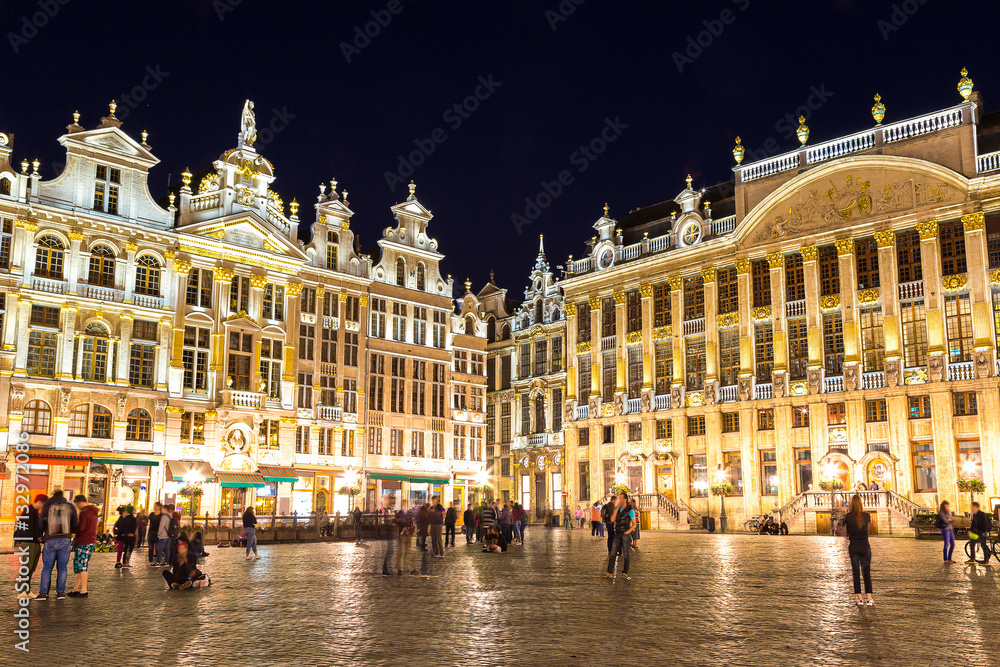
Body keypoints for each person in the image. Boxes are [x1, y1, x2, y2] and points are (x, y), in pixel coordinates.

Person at [35, 490, 78, 601]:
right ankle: (60, 593)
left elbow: (40, 523)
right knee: (62, 567)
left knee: (47, 568)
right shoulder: (69, 506)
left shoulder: (47, 506)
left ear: (53, 495)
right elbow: (75, 523)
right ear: (62, 496)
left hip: (50, 539)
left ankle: (43, 593)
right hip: (65, 539)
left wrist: (45, 532)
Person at [839, 494, 874, 605]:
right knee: (866, 572)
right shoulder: (866, 515)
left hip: (853, 546)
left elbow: (840, 523)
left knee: (856, 572)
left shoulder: (848, 517)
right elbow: (867, 522)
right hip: (864, 546)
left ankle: (859, 598)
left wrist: (844, 512)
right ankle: (869, 598)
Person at [14, 493, 48, 599]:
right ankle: (21, 591)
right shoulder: (29, 511)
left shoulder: (35, 512)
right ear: (40, 502)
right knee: (27, 567)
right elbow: (30, 527)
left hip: (34, 542)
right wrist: (38, 535)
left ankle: (27, 590)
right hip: (29, 542)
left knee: (32, 568)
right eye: (44, 505)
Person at [69, 494, 98, 597]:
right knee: (79, 565)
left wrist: (71, 530)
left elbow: (81, 528)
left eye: (76, 505)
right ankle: (76, 588)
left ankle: (84, 590)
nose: (76, 507)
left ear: (80, 502)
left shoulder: (85, 513)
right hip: (90, 542)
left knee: (82, 566)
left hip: (84, 541)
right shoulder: (93, 512)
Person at [604, 492, 636, 580]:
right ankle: (609, 572)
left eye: (621, 498)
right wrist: (617, 508)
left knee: (626, 554)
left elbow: (634, 524)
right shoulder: (616, 509)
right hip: (617, 533)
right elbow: (612, 519)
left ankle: (625, 572)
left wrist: (627, 532)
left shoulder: (630, 510)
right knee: (613, 553)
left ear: (625, 500)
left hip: (625, 534)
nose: (619, 500)